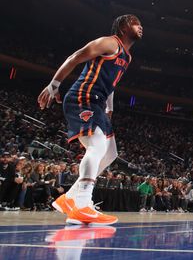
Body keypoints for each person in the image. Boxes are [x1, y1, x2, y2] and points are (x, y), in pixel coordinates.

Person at [37, 14, 142, 225]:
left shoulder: (127, 56)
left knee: (110, 153)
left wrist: (109, 108)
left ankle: (70, 198)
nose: (141, 27)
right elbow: (75, 57)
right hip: (82, 97)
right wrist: (54, 85)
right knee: (96, 146)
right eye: (136, 23)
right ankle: (83, 203)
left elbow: (111, 84)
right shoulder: (109, 42)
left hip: (98, 103)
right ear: (123, 26)